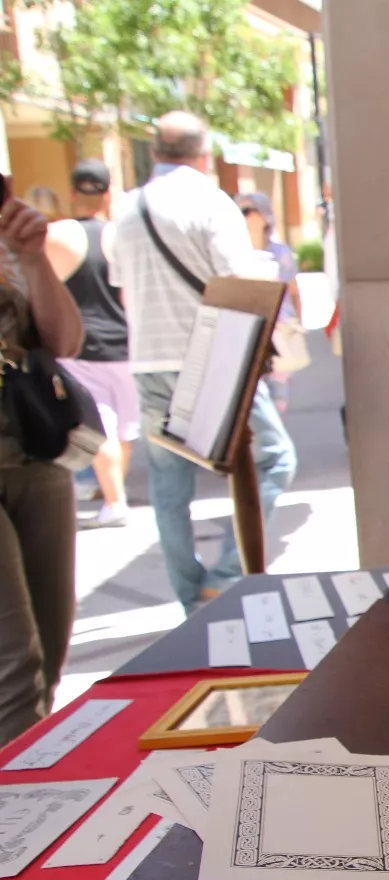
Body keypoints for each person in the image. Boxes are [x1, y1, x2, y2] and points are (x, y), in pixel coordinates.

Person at [111, 112, 297, 613]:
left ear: (154, 151)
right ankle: (227, 574)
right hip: (216, 355)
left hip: (149, 359)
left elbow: (121, 287)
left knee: (170, 485)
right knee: (274, 457)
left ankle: (191, 595)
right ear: (203, 151)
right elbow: (241, 283)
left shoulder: (126, 210)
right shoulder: (211, 203)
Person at [0, 192, 85, 741]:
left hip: (37, 459)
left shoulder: (11, 250)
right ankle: (26, 816)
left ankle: (35, 777)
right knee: (13, 667)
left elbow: (65, 341)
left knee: (51, 652)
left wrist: (31, 257)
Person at [43, 159, 137, 528]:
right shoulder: (122, 236)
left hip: (82, 346)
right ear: (108, 192)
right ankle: (112, 491)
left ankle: (115, 500)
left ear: (71, 192)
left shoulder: (59, 235)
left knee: (99, 425)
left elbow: (40, 292)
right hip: (126, 344)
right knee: (124, 426)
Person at [236, 192, 302, 413]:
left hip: (280, 328)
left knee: (279, 394)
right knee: (251, 395)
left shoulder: (280, 252)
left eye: (248, 211)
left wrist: (299, 323)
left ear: (264, 216)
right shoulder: (234, 253)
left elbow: (293, 289)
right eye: (241, 212)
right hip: (249, 330)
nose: (245, 217)